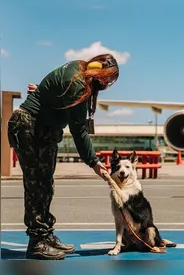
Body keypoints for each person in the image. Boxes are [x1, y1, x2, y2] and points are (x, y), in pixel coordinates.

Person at [7, 54, 119, 260]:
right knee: (36, 186)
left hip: (43, 130)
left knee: (46, 185)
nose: (106, 84)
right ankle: (37, 243)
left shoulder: (78, 71)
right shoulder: (78, 84)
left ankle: (46, 235)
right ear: (98, 71)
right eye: (107, 79)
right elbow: (79, 130)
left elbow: (52, 91)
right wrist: (94, 162)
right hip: (29, 127)